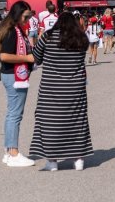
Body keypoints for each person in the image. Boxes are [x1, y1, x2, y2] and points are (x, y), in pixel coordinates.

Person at [30, 11, 93, 171]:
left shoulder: (47, 37)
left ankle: (52, 162)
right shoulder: (81, 38)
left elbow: (36, 57)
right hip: (75, 86)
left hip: (51, 86)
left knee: (50, 120)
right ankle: (78, 159)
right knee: (76, 120)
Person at [0, 0, 35, 167]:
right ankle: (13, 153)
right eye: (26, 16)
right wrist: (27, 58)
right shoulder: (12, 31)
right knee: (15, 115)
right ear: (18, 15)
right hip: (14, 76)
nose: (28, 20)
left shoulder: (12, 28)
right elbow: (4, 55)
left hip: (11, 75)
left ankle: (9, 150)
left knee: (12, 113)